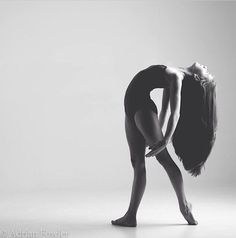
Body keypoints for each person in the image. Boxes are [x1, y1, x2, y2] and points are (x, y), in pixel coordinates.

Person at [111, 62, 217, 227]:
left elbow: (175, 113)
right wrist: (156, 130)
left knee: (165, 160)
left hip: (142, 107)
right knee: (137, 163)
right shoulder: (174, 74)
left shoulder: (176, 77)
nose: (205, 66)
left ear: (197, 77)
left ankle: (184, 207)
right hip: (132, 108)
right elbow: (165, 109)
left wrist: (165, 140)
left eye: (205, 70)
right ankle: (130, 216)